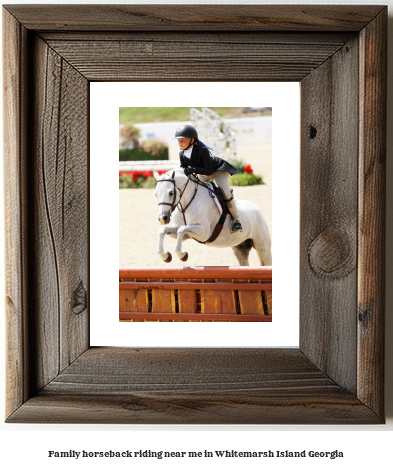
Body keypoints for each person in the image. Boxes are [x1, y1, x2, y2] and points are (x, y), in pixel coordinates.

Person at [174, 124, 242, 233]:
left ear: (192, 140)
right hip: (203, 171)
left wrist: (193, 170)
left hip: (217, 170)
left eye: (183, 140)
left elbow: (209, 170)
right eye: (179, 140)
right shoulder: (182, 154)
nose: (180, 143)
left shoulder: (202, 150)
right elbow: (184, 169)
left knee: (225, 193)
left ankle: (236, 220)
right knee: (196, 191)